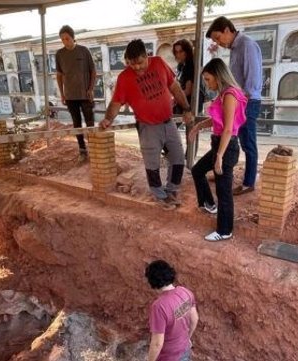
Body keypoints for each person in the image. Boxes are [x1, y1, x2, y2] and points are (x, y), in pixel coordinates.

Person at [100, 39, 194, 209]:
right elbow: (116, 103)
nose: (136, 67)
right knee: (152, 164)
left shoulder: (158, 63)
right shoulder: (124, 77)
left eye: (140, 62)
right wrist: (108, 119)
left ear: (147, 56)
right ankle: (159, 195)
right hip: (148, 127)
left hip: (168, 122)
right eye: (131, 63)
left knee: (178, 158)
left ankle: (171, 190)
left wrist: (187, 109)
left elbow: (175, 88)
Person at [189, 58, 247, 242]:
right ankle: (209, 204)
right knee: (198, 170)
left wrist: (220, 156)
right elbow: (217, 121)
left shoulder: (230, 95)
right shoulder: (223, 94)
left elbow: (228, 128)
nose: (207, 83)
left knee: (224, 190)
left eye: (208, 79)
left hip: (226, 147)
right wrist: (198, 127)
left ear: (218, 76)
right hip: (219, 144)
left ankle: (224, 230)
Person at [206, 16, 262, 196]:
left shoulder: (247, 45)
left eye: (218, 37)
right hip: (237, 100)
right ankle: (221, 170)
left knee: (247, 142)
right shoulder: (235, 48)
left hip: (247, 101)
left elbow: (252, 79)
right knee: (229, 137)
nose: (218, 42)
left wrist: (238, 102)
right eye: (214, 40)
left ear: (227, 30)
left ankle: (248, 182)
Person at [55, 25, 97, 162]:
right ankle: (82, 151)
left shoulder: (84, 51)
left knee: (90, 122)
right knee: (76, 124)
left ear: (73, 37)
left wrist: (91, 89)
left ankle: (95, 148)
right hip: (70, 96)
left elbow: (93, 71)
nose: (65, 42)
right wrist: (62, 94)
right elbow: (59, 75)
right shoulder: (59, 54)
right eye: (62, 39)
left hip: (85, 95)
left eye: (67, 38)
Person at [145, 260, 199, 361]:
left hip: (168, 357)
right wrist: (188, 338)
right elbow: (194, 319)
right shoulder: (185, 292)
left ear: (152, 281)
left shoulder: (159, 307)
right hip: (184, 351)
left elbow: (157, 343)